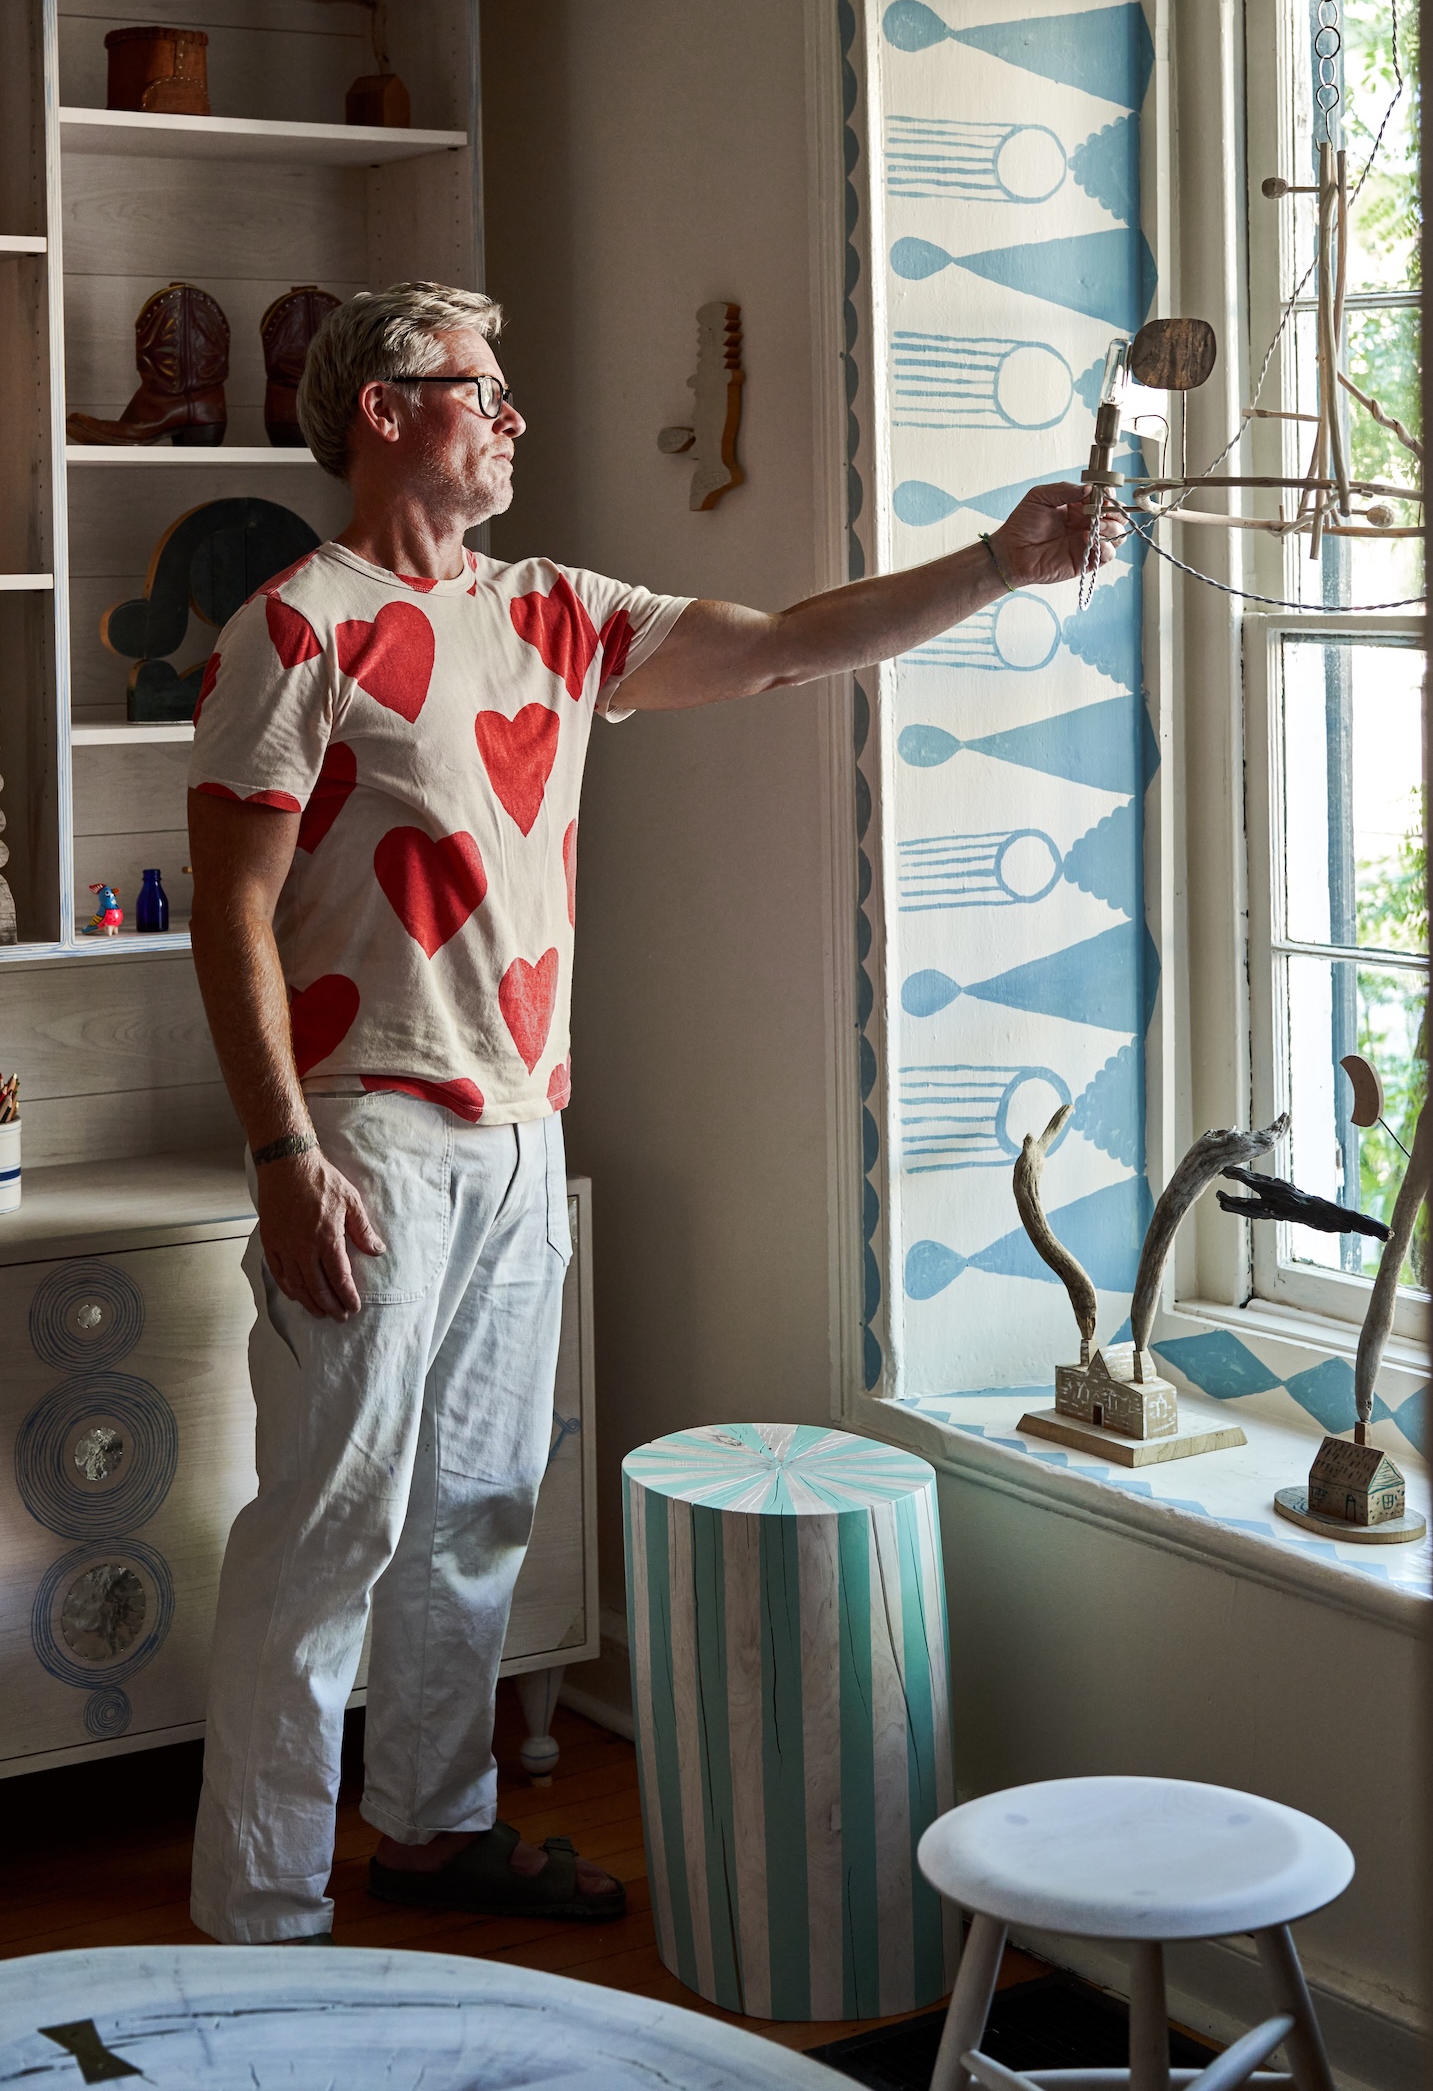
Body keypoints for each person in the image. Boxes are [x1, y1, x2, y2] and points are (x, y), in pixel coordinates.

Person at [186, 280, 1126, 1943]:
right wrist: (281, 1153)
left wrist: (996, 562)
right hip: (365, 1133)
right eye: (479, 383)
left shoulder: (552, 610)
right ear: (384, 411)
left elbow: (780, 648)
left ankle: (432, 1828)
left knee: (476, 1511)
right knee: (329, 1526)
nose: (514, 412)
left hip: (521, 1132)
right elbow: (229, 909)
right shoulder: (295, 625)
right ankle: (258, 1907)